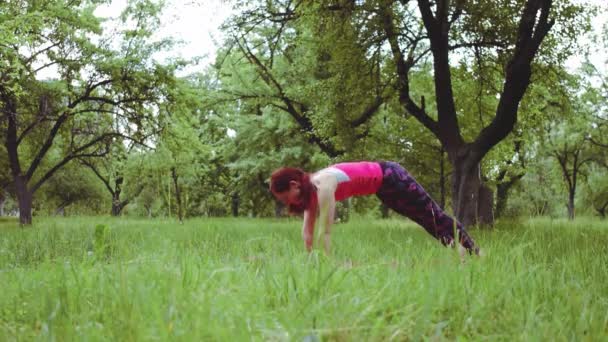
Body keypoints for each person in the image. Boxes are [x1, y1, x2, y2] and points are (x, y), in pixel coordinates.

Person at [269, 161, 479, 255]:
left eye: (286, 197)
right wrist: (309, 259)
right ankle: (460, 252)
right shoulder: (309, 196)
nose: (287, 204)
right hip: (382, 189)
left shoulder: (322, 185)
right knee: (425, 220)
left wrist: (325, 263)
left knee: (432, 215)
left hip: (390, 175)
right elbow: (307, 232)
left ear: (294, 185)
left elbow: (325, 231)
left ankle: (474, 253)